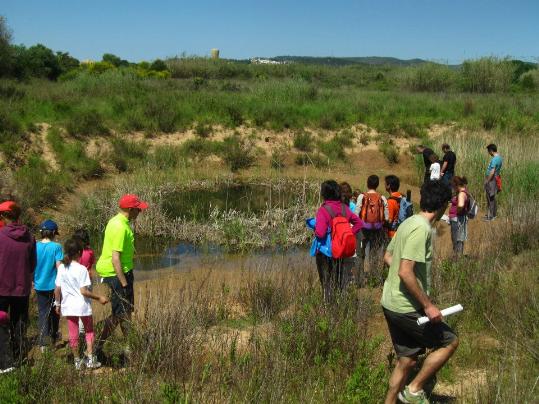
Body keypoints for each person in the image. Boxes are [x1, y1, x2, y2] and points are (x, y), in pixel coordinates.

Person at [381, 180, 458, 404]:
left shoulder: (407, 222)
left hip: (390, 302)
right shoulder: (421, 229)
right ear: (443, 204)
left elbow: (388, 257)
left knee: (406, 360)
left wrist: (401, 274)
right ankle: (414, 390)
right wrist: (428, 305)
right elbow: (405, 271)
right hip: (405, 308)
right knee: (450, 341)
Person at [95, 194, 148, 353]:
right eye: (138, 210)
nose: (140, 212)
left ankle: (129, 346)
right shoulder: (119, 226)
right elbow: (115, 258)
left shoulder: (117, 221)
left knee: (126, 312)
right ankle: (97, 346)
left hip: (121, 272)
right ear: (130, 210)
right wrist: (124, 283)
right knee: (119, 314)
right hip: (117, 274)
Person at [54, 238, 109, 370]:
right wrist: (99, 297)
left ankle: (77, 361)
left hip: (68, 307)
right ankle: (90, 360)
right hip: (83, 307)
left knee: (73, 335)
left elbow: (57, 289)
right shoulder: (82, 269)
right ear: (79, 252)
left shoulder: (62, 268)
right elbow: (84, 291)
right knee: (89, 332)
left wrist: (57, 304)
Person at [0, 201, 36, 372]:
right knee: (19, 325)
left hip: (1, 289)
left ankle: (5, 363)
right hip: (22, 288)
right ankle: (20, 359)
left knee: (1, 324)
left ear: (3, 216)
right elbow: (32, 264)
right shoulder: (29, 236)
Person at [314, 181, 362, 302]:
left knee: (326, 283)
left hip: (325, 253)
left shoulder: (323, 210)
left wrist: (315, 228)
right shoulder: (344, 207)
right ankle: (340, 305)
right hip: (340, 250)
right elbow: (359, 223)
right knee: (338, 280)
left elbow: (320, 233)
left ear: (324, 194)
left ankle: (328, 308)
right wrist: (350, 233)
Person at [34, 219, 63, 351]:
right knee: (55, 312)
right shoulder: (57, 247)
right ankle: (53, 337)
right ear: (53, 233)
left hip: (39, 285)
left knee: (42, 313)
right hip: (53, 286)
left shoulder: (35, 246)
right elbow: (59, 267)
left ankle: (43, 344)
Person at [355, 175, 388, 281]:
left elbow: (356, 214)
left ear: (367, 184)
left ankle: (359, 279)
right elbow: (387, 217)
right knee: (374, 253)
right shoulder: (382, 198)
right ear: (377, 185)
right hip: (377, 230)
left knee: (360, 254)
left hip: (363, 229)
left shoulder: (362, 196)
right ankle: (373, 278)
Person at [449, 176, 469, 257]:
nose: (453, 188)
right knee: (459, 238)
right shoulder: (464, 191)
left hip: (457, 219)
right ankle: (458, 256)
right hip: (460, 218)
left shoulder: (461, 194)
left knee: (456, 239)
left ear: (456, 185)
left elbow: (461, 205)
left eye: (453, 186)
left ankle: (457, 258)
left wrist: (456, 212)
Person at [484, 144, 502, 221]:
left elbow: (492, 171)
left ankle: (491, 216)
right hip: (495, 178)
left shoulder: (495, 159)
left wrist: (487, 181)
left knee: (490, 197)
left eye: (488, 151)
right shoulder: (499, 158)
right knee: (492, 197)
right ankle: (492, 214)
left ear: (491, 150)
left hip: (491, 179)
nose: (488, 153)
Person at [385, 175, 403, 240]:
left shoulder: (391, 201)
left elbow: (389, 220)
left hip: (392, 234)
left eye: (385, 183)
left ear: (388, 185)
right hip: (401, 232)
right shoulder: (402, 197)